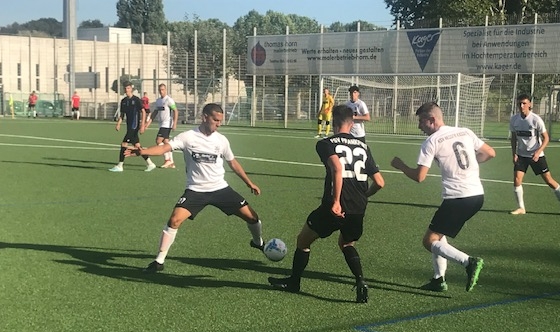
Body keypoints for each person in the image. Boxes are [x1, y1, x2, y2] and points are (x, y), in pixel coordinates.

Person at [124, 103, 265, 273]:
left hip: (220, 189)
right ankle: (159, 261)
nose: (219, 124)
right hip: (196, 190)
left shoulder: (221, 140)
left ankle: (258, 242)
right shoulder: (188, 137)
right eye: (216, 120)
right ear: (204, 117)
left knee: (252, 217)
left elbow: (232, 162)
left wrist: (249, 183)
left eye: (220, 121)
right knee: (174, 220)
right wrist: (143, 152)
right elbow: (163, 148)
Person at [268, 105, 385, 303]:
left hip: (334, 205)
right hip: (358, 206)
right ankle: (360, 281)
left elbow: (337, 168)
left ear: (333, 121)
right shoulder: (364, 146)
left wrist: (337, 201)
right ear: (352, 123)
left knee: (303, 241)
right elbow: (380, 182)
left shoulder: (325, 143)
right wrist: (365, 196)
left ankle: (294, 282)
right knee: (346, 243)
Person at [390, 102, 496, 293]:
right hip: (477, 196)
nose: (419, 126)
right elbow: (490, 153)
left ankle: (468, 262)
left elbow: (419, 177)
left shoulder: (432, 141)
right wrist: (470, 164)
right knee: (439, 234)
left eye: (421, 121)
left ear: (432, 120)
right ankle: (438, 279)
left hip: (458, 198)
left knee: (429, 241)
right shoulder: (464, 131)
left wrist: (401, 166)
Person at [509, 94, 560, 216]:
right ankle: (521, 208)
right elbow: (513, 138)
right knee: (517, 180)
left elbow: (546, 138)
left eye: (524, 103)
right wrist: (514, 153)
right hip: (521, 155)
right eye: (519, 103)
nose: (521, 106)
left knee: (549, 181)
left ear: (529, 104)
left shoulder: (536, 120)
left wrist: (538, 152)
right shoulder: (514, 119)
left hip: (536, 155)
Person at [108, 82, 156, 173]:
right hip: (129, 126)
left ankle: (120, 165)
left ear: (131, 89)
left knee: (124, 144)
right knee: (137, 145)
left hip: (134, 126)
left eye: (128, 88)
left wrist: (142, 125)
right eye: (125, 88)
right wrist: (118, 123)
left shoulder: (136, 100)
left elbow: (143, 112)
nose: (127, 90)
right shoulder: (123, 101)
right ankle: (150, 163)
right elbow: (122, 114)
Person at [150, 83, 179, 168]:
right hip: (161, 124)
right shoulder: (158, 101)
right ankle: (171, 162)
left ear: (166, 90)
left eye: (163, 90)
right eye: (160, 90)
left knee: (158, 141)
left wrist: (175, 123)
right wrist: (147, 123)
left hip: (167, 124)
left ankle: (167, 160)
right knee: (166, 142)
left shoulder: (169, 100)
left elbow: (175, 111)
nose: (161, 91)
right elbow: (155, 112)